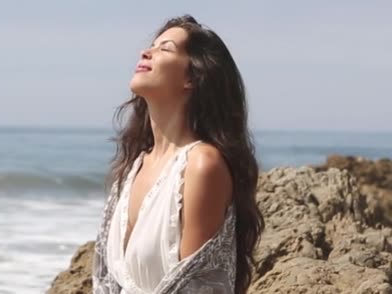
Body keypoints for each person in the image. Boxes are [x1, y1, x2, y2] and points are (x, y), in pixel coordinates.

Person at [92, 15, 264, 294]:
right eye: (152, 45)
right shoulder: (135, 166)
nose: (146, 52)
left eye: (165, 48)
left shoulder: (201, 165)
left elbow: (195, 287)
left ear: (192, 78)